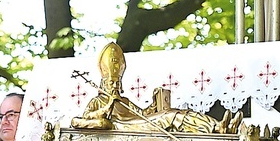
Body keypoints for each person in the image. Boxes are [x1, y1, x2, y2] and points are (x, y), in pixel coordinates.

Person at [71, 42, 242, 133]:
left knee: (178, 113)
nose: (115, 85)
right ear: (103, 84)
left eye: (117, 83)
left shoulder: (124, 101)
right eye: (111, 83)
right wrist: (109, 105)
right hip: (127, 128)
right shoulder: (97, 101)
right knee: (171, 116)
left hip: (141, 123)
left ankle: (219, 127)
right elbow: (85, 119)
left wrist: (154, 104)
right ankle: (216, 128)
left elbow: (143, 114)